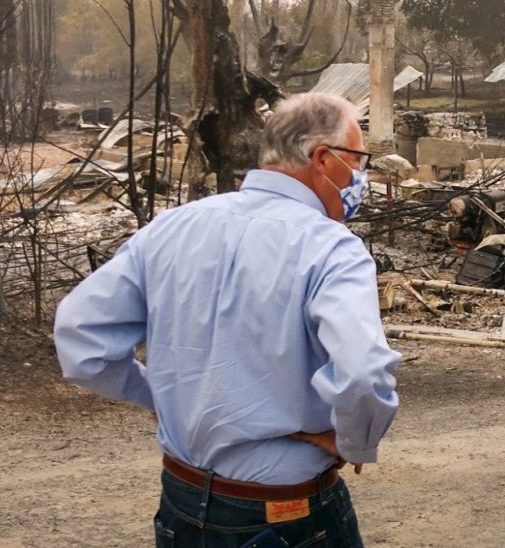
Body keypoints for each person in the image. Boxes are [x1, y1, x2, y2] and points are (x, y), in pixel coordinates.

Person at [54, 93, 401, 547]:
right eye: (357, 162)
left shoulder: (171, 227)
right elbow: (363, 374)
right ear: (322, 158)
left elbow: (81, 340)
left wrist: (159, 396)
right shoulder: (331, 248)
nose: (360, 178)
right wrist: (352, 442)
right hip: (286, 515)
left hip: (181, 501)